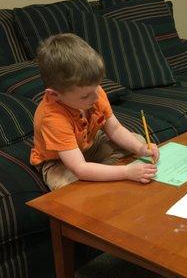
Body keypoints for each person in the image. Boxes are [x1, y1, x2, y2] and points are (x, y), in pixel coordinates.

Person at [30, 33, 159, 191]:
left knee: (137, 140)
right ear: (54, 95)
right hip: (58, 161)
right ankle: (101, 174)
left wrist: (140, 149)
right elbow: (79, 168)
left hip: (88, 145)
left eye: (97, 87)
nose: (96, 97)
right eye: (85, 95)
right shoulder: (53, 118)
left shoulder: (94, 93)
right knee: (72, 186)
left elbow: (115, 129)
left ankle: (100, 173)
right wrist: (126, 172)